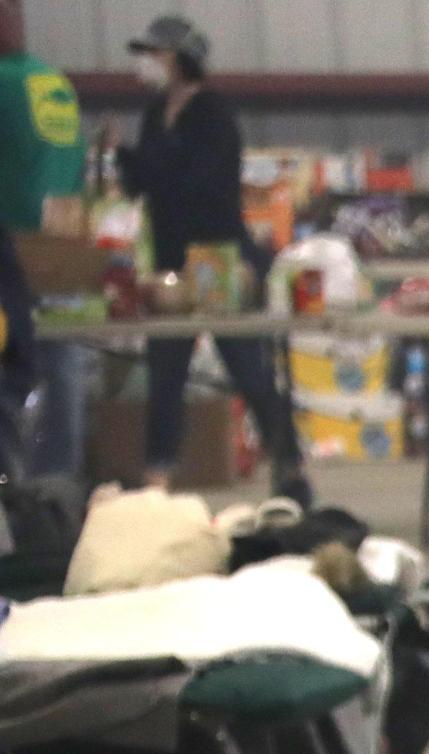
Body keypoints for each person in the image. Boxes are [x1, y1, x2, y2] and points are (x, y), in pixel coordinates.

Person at [114, 16, 307, 503]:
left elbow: (201, 181)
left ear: (178, 57)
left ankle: (289, 463)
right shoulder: (155, 110)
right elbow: (147, 182)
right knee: (166, 371)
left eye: (153, 53)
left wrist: (147, 165)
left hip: (219, 257)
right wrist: (121, 157)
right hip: (169, 258)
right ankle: (158, 475)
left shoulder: (213, 113)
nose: (145, 64)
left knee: (247, 368)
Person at [0, 1, 82, 479]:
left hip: (12, 242)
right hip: (62, 241)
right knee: (64, 362)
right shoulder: (53, 81)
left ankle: (13, 490)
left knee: (11, 372)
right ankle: (57, 481)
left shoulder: (5, 83)